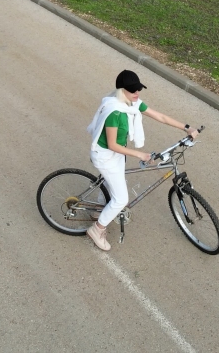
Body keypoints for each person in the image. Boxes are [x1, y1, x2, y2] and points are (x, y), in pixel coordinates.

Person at [85, 70, 198, 251]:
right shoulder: (115, 111)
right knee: (121, 199)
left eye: (138, 89)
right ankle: (97, 229)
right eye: (132, 91)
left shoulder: (132, 103)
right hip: (105, 155)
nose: (136, 94)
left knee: (112, 183)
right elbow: (113, 144)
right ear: (122, 91)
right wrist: (139, 154)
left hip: (116, 155)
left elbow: (159, 116)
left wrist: (186, 127)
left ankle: (100, 208)